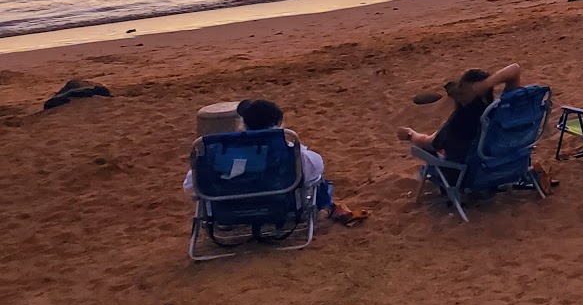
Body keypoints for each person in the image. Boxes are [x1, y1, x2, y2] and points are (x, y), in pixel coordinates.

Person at [185, 98, 362, 223]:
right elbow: (315, 171)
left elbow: (191, 186)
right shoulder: (291, 154)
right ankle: (330, 207)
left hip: (228, 211)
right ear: (279, 122)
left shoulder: (221, 155)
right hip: (282, 207)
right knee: (316, 180)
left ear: (244, 124)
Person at [400, 64, 525, 165]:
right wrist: (486, 84)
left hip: (471, 173)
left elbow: (429, 143)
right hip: (500, 164)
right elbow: (515, 70)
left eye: (462, 91)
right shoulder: (500, 112)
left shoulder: (459, 122)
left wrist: (411, 135)